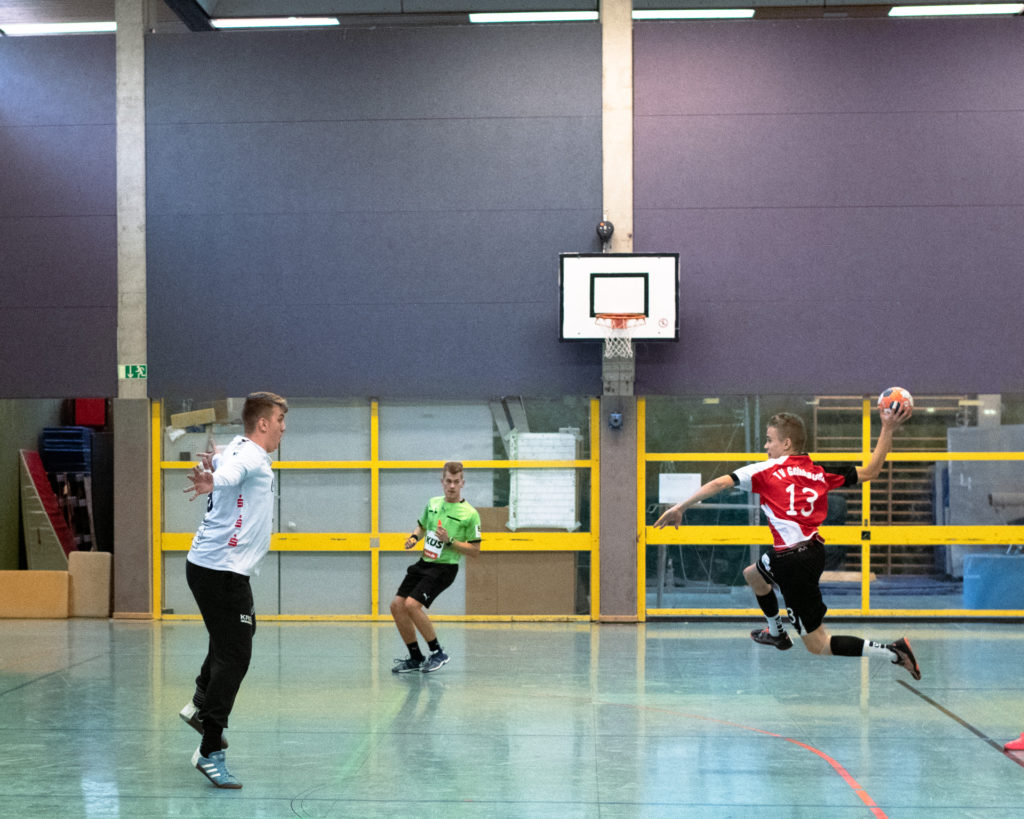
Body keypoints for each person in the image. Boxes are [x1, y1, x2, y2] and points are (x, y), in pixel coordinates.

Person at [654, 403, 921, 680]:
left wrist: (680, 507)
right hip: (811, 551)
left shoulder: (766, 470)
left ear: (787, 443)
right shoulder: (818, 470)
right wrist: (888, 427)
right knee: (753, 575)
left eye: (770, 440)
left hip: (792, 562)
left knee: (819, 644)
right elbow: (872, 471)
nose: (767, 447)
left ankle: (894, 652)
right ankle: (776, 633)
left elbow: (720, 483)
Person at [178, 391, 288, 788]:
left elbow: (226, 456)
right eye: (279, 420)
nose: (282, 428)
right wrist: (214, 478)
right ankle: (210, 750)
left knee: (235, 638)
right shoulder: (250, 457)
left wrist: (214, 461)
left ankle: (199, 704)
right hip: (221, 571)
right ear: (262, 423)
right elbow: (232, 472)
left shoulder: (238, 447)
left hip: (211, 567)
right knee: (236, 653)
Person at [391, 461, 481, 673]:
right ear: (442, 482)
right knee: (397, 605)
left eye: (456, 482)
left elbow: (475, 551)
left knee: (412, 605)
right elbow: (422, 526)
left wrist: (450, 541)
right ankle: (415, 658)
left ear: (462, 483)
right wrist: (414, 538)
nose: (452, 486)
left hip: (445, 568)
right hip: (424, 563)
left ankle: (438, 652)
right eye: (448, 481)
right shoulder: (432, 503)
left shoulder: (469, 513)